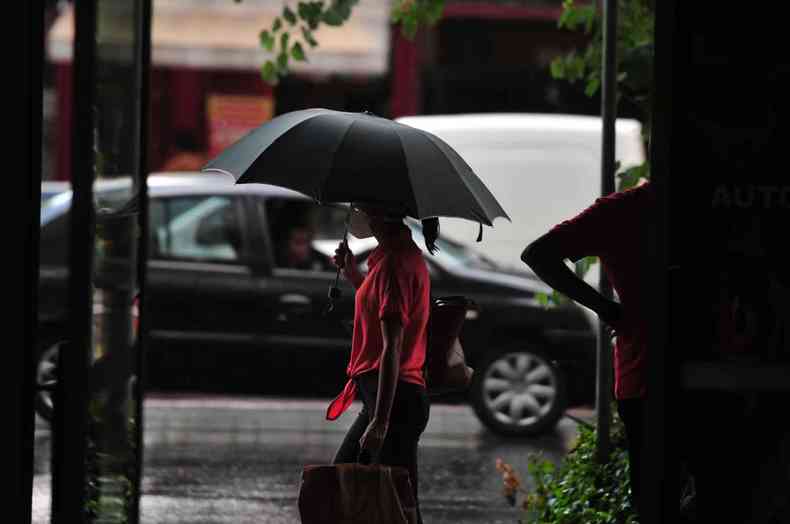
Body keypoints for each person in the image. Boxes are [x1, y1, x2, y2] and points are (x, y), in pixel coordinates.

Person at [521, 180, 656, 519]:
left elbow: (538, 254)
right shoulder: (715, 206)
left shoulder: (624, 209)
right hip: (711, 370)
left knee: (652, 494)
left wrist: (606, 308)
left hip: (643, 375)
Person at [327, 205, 440, 524]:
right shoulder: (389, 257)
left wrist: (380, 421)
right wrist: (351, 273)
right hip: (388, 400)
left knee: (393, 504)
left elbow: (393, 346)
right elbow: (379, 301)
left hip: (394, 404)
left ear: (379, 214)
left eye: (361, 207)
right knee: (389, 500)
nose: (356, 214)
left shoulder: (393, 264)